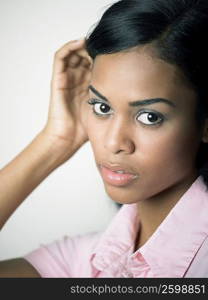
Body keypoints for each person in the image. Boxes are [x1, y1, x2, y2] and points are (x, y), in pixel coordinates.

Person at [1, 0, 208, 278]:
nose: (113, 143)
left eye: (149, 117)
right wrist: (56, 141)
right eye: (102, 107)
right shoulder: (83, 262)